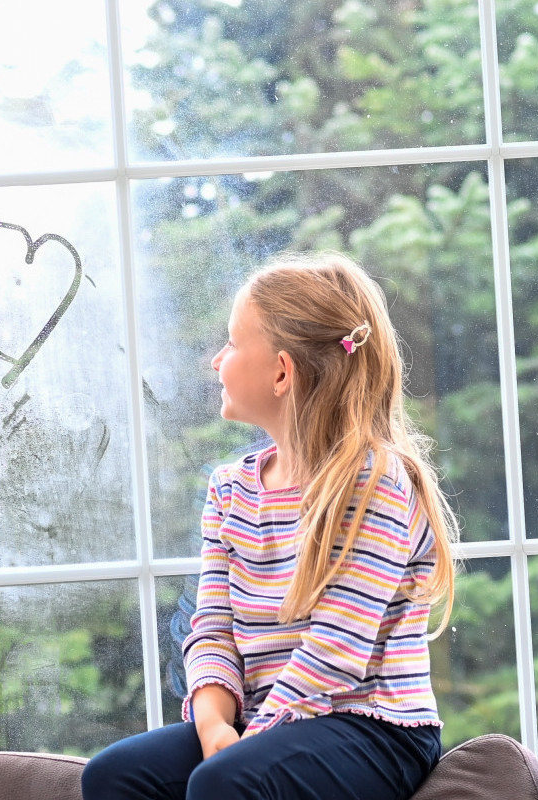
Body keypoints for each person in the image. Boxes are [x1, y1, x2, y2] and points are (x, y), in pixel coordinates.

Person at [83, 252, 459, 800]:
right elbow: (212, 627)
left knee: (224, 781)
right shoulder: (230, 488)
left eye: (233, 343)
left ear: (282, 371)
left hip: (374, 727)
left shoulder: (376, 479)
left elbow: (337, 647)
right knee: (113, 775)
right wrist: (214, 725)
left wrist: (249, 741)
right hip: (264, 722)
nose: (217, 360)